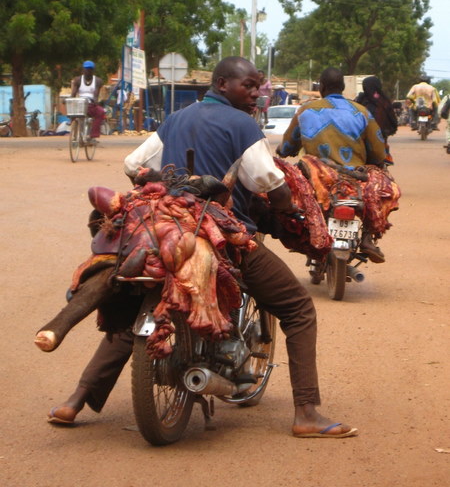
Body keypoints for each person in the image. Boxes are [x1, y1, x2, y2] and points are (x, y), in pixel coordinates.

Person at [43, 57, 357, 438]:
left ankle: (76, 400)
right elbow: (268, 181)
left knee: (135, 308)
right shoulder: (243, 125)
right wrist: (287, 207)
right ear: (223, 84)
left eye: (259, 86)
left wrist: (167, 182)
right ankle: (306, 412)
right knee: (298, 308)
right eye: (249, 85)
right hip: (221, 237)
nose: (257, 92)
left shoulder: (177, 118)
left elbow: (132, 164)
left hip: (163, 228)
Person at [277, 67, 388, 263]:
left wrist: (284, 151)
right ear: (343, 87)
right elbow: (378, 151)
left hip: (316, 177)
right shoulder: (361, 111)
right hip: (355, 178)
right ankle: (367, 236)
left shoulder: (306, 110)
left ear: (322, 86)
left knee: (293, 198)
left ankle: (305, 236)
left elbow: (288, 145)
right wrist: (376, 163)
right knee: (380, 191)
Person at [355, 76, 397, 164]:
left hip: (360, 144)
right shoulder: (385, 102)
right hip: (380, 144)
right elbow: (393, 123)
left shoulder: (360, 101)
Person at [71, 61, 106, 143]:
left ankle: (92, 136)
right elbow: (73, 94)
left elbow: (96, 95)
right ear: (83, 70)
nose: (88, 71)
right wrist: (68, 100)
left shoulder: (97, 81)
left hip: (90, 104)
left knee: (101, 112)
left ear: (93, 70)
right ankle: (74, 134)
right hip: (80, 104)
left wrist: (95, 102)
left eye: (90, 69)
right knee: (72, 111)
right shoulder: (78, 80)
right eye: (86, 69)